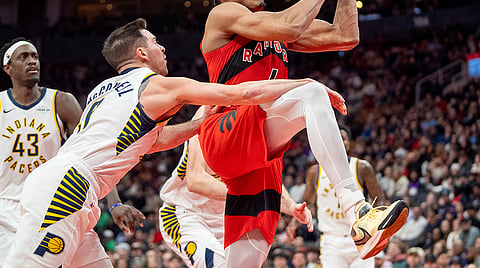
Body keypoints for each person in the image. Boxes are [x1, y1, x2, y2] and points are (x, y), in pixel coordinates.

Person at [4, 18, 315, 268]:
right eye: (154, 41)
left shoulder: (104, 89)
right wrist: (306, 86)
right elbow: (241, 93)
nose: (162, 47)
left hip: (73, 187)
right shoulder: (156, 86)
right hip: (67, 186)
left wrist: (202, 124)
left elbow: (152, 141)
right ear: (141, 53)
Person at [198, 0, 408, 266]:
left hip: (260, 147)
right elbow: (288, 26)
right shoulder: (222, 15)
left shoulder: (275, 28)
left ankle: (362, 231)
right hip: (229, 130)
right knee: (311, 93)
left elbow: (346, 35)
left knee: (248, 254)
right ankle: (358, 211)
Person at [0, 37, 142, 266]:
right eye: (23, 57)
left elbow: (94, 154)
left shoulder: (61, 101)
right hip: (8, 209)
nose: (31, 61)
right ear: (8, 67)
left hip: (59, 202)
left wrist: (114, 204)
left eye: (34, 56)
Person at [159, 107, 314, 268]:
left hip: (226, 219)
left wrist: (290, 206)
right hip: (186, 214)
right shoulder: (210, 111)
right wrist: (250, 197)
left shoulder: (254, 119)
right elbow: (195, 180)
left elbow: (265, 176)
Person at [302, 124, 386, 268]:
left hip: (361, 237)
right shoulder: (315, 172)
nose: (338, 142)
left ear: (349, 144)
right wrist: (309, 213)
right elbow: (306, 202)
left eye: (342, 138)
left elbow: (379, 200)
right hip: (331, 240)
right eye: (334, 139)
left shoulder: (362, 167)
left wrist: (374, 226)